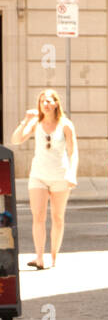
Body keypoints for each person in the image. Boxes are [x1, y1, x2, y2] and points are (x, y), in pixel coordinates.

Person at [10, 89, 77, 270]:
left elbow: (73, 152)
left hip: (60, 176)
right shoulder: (35, 123)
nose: (45, 104)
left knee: (58, 217)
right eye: (42, 101)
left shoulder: (65, 125)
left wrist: (72, 173)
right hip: (38, 175)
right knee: (38, 216)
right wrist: (25, 120)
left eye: (48, 101)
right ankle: (39, 257)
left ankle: (54, 255)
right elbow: (16, 140)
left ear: (56, 103)